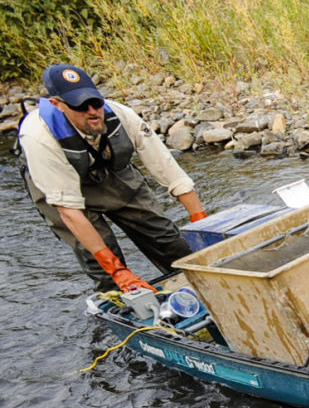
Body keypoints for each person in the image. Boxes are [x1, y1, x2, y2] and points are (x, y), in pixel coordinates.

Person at [18, 64, 206, 293]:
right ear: (57, 105)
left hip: (110, 172)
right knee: (106, 270)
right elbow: (69, 210)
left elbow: (169, 170)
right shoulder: (38, 138)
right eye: (79, 105)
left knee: (170, 243)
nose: (92, 111)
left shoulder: (122, 116)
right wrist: (117, 270)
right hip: (59, 185)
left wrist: (202, 223)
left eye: (95, 102)